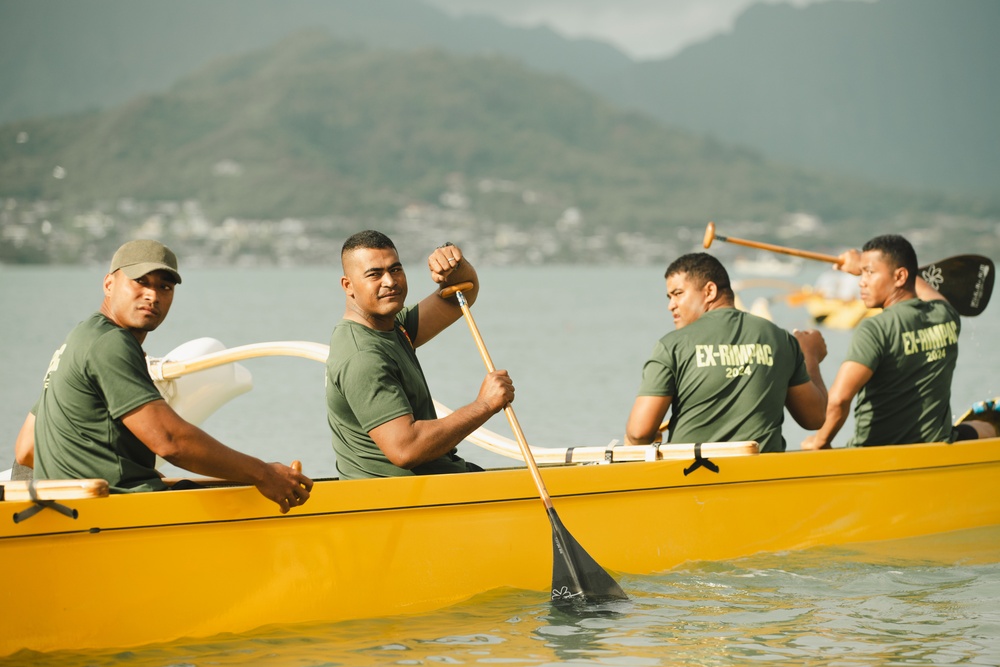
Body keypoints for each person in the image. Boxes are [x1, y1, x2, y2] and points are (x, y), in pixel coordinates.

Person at [13, 240, 312, 513]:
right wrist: (263, 473)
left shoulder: (79, 339)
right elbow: (169, 441)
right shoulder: (110, 344)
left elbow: (26, 449)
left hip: (68, 511)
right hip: (118, 512)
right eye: (140, 282)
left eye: (165, 287)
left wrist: (100, 465)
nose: (152, 295)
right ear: (108, 283)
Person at [326, 230, 515, 479]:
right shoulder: (363, 356)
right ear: (348, 285)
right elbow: (406, 449)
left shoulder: (394, 327)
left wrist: (453, 266)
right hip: (403, 502)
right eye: (374, 274)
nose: (390, 282)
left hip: (440, 482)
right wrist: (485, 405)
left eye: (395, 270)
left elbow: (462, 294)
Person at [802, 234, 995, 449]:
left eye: (870, 273)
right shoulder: (947, 315)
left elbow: (839, 400)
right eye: (862, 273)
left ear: (900, 277)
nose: (862, 281)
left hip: (876, 452)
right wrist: (867, 264)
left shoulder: (875, 329)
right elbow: (927, 291)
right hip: (937, 444)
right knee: (986, 428)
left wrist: (820, 442)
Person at [625, 252, 828, 453]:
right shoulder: (781, 339)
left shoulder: (672, 345)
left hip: (693, 477)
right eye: (669, 297)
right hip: (763, 477)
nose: (671, 305)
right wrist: (809, 354)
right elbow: (814, 418)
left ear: (710, 291)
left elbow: (639, 433)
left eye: (678, 294)